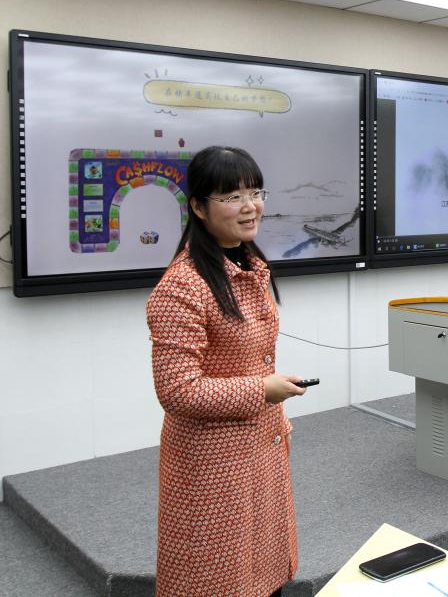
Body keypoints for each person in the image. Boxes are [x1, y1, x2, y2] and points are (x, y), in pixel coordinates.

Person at [147, 146, 306, 597]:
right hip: (214, 462)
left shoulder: (248, 262)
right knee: (218, 578)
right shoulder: (181, 287)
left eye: (255, 192)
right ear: (198, 207)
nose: (250, 206)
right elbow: (177, 390)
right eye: (233, 197)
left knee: (263, 573)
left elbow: (249, 358)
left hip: (261, 445)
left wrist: (273, 403)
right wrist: (263, 390)